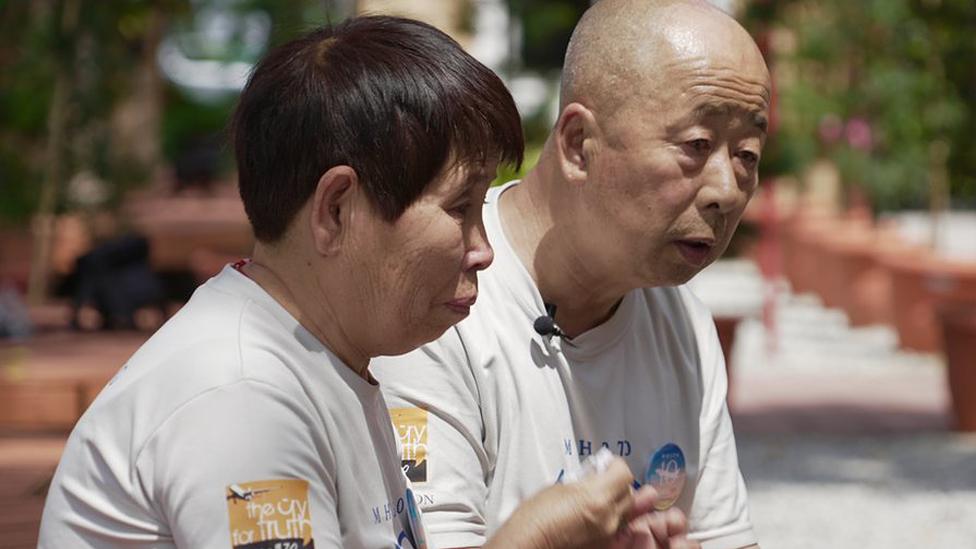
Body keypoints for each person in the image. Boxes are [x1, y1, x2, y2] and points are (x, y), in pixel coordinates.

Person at [38, 16, 684, 549]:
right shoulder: (242, 396)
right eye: (460, 208)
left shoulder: (325, 362)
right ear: (337, 209)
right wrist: (532, 540)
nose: (484, 250)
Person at [372, 1, 771, 548]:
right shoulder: (438, 303)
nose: (727, 189)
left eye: (747, 154)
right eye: (696, 146)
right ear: (579, 144)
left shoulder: (682, 326)